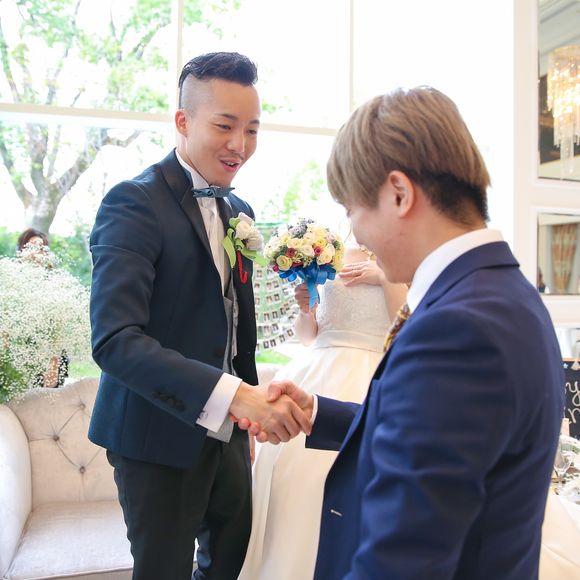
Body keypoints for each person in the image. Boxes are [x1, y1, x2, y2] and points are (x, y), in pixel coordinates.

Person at [247, 86, 565, 579]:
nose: (355, 233)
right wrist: (319, 414)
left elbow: (405, 556)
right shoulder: (500, 293)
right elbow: (435, 434)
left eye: (352, 210)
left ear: (399, 193)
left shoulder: (458, 329)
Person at [88, 52, 310, 580]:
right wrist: (237, 396)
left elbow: (232, 326)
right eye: (225, 126)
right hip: (156, 435)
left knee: (230, 564)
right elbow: (115, 340)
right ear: (183, 122)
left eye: (252, 129)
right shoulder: (133, 203)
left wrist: (246, 415)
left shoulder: (240, 212)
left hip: (229, 432)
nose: (240, 145)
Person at [239, 244, 407, 580]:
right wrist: (307, 308)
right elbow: (309, 336)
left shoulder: (401, 256)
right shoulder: (331, 252)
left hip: (369, 372)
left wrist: (384, 277)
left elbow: (403, 327)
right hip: (316, 369)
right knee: (289, 476)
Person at [16, 227, 69, 388]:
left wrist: (53, 364)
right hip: (18, 356)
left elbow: (58, 327)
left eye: (41, 248)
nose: (37, 252)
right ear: (21, 251)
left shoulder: (55, 284)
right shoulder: (12, 285)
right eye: (31, 247)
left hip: (49, 356)